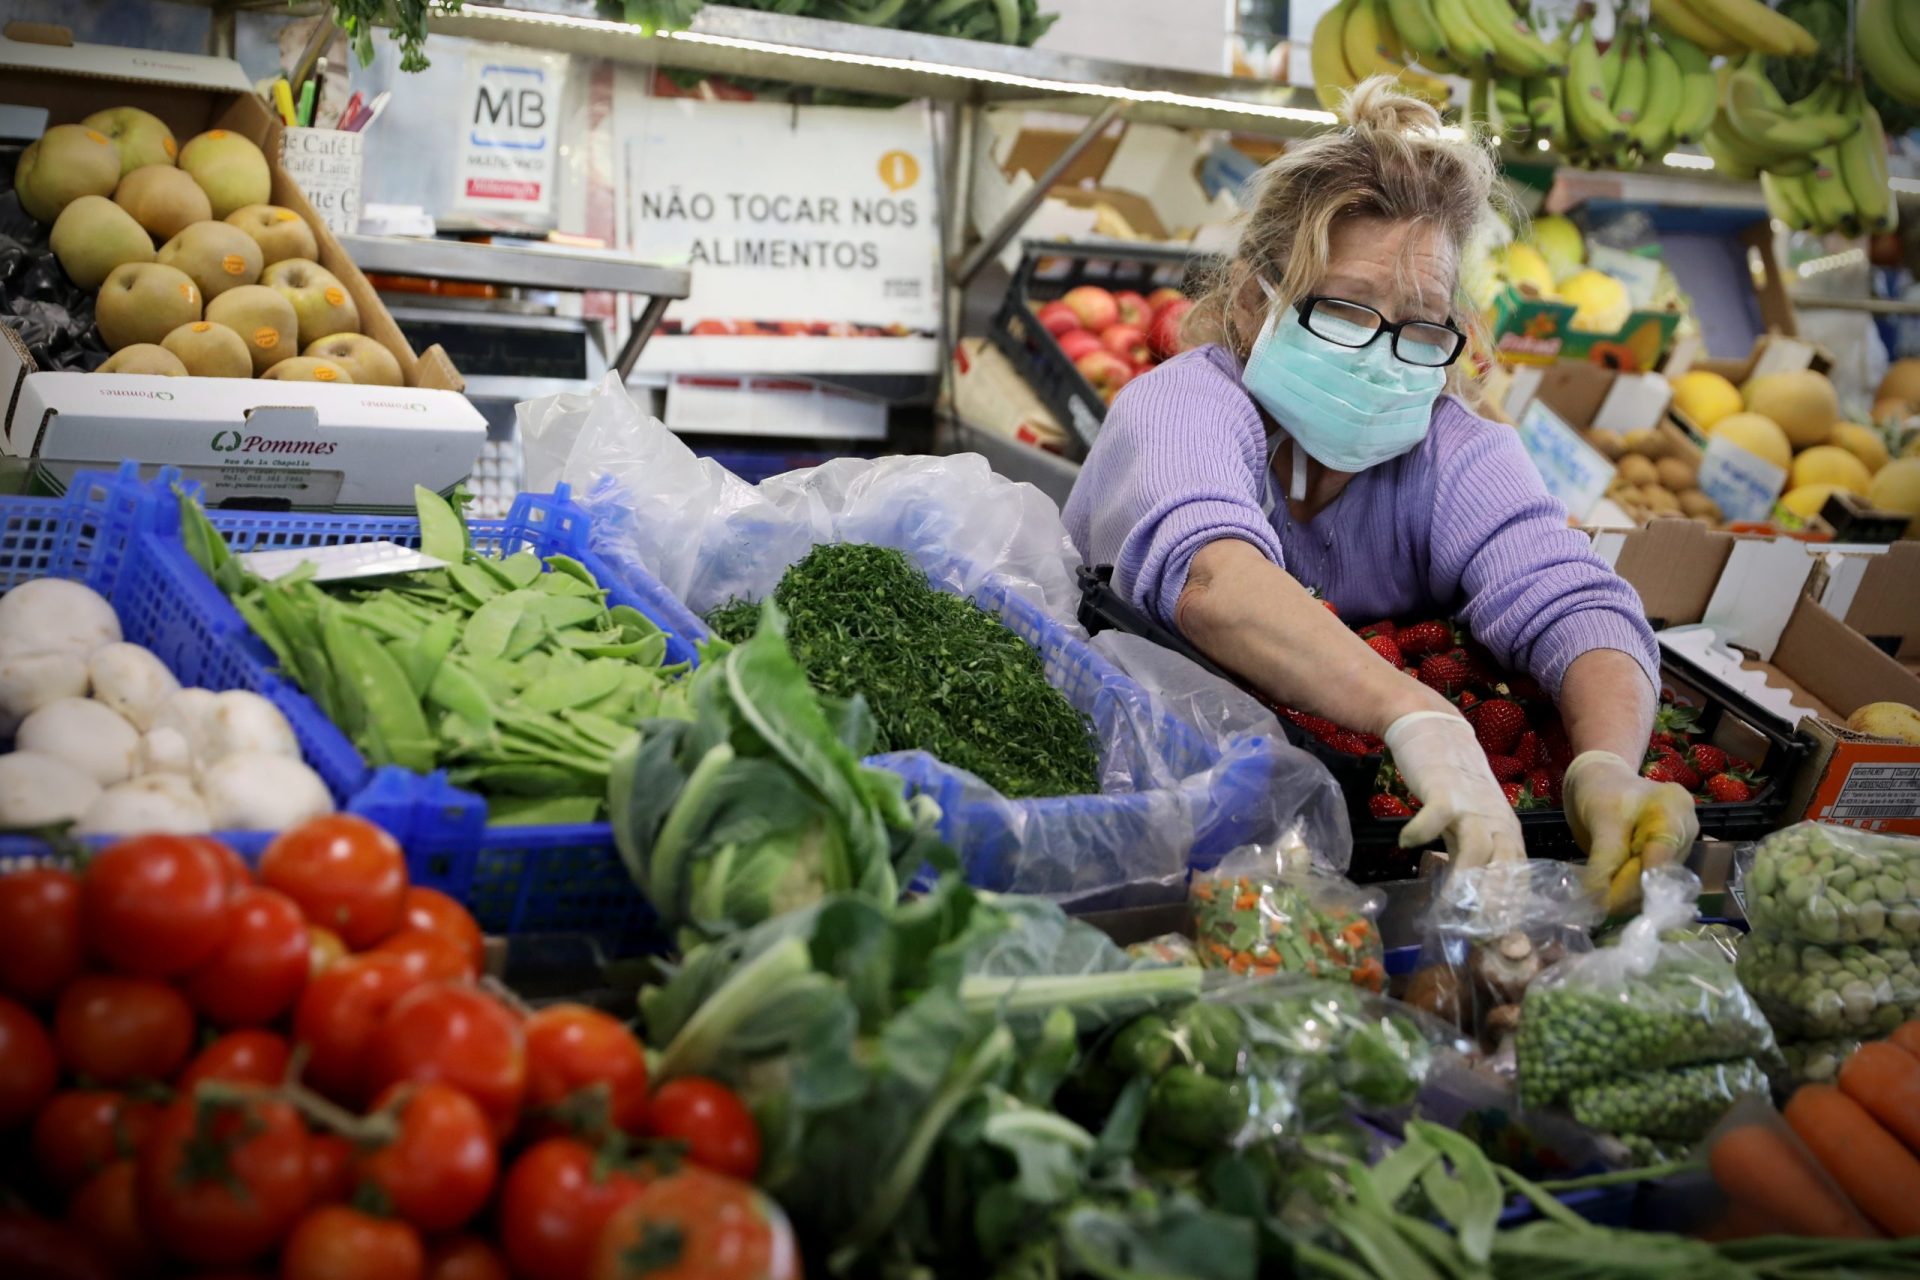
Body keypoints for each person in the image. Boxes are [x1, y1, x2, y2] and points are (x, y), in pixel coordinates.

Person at [1063, 76, 1696, 886]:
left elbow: (1573, 597)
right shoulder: (1182, 406)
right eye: (1349, 311)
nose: (1384, 352)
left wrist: (1605, 764)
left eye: (1420, 324)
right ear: (1257, 306)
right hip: (1125, 800)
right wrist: (1414, 711)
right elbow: (1212, 573)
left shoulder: (1452, 451)